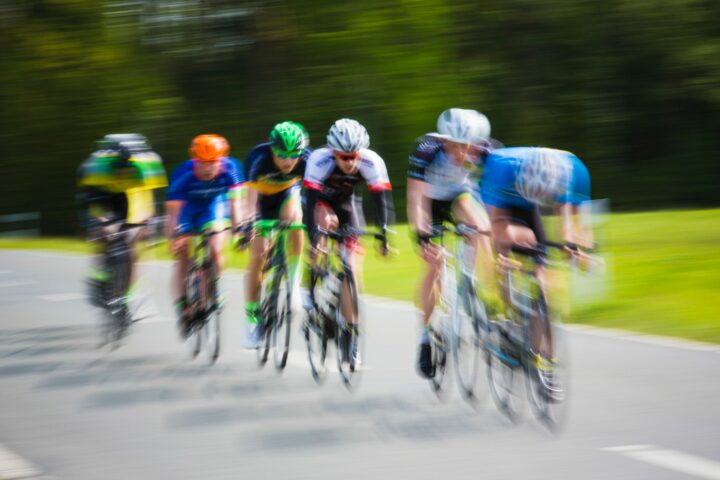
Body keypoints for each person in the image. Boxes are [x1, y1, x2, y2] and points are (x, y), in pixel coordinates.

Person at [479, 146, 594, 377]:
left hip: (533, 206)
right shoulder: (500, 168)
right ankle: (508, 319)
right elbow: (496, 226)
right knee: (503, 256)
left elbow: (571, 226)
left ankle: (544, 358)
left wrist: (576, 249)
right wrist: (501, 258)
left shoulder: (571, 172)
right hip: (504, 203)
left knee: (545, 278)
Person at [406, 108, 496, 379]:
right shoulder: (425, 149)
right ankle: (426, 336)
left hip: (460, 197)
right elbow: (416, 198)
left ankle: (484, 296)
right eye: (454, 146)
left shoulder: (487, 152)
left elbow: (495, 199)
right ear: (443, 140)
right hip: (430, 202)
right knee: (434, 265)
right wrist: (422, 236)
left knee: (483, 229)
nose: (460, 153)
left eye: (465, 147)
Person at [303, 118, 393, 362]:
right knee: (326, 222)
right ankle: (310, 287)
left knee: (352, 269)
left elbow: (381, 202)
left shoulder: (372, 161)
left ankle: (351, 333)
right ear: (334, 153)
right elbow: (309, 201)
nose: (350, 162)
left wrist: (383, 236)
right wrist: (313, 239)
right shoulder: (319, 160)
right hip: (320, 204)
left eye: (354, 155)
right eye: (344, 157)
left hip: (348, 207)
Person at [165, 134, 245, 338]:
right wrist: (172, 238)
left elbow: (236, 205)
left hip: (214, 207)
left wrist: (239, 231)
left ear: (221, 159)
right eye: (203, 163)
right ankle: (184, 305)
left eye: (213, 163)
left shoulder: (231, 169)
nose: (208, 168)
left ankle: (214, 285)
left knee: (216, 248)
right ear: (195, 161)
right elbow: (173, 213)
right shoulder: (183, 174)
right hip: (188, 210)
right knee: (183, 255)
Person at [77, 133, 167, 310]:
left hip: (130, 197)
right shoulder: (97, 168)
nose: (124, 170)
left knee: (132, 248)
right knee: (104, 233)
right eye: (120, 166)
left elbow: (150, 201)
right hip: (103, 194)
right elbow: (87, 199)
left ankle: (126, 297)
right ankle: (99, 276)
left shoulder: (145, 167)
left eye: (127, 166)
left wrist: (150, 223)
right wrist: (94, 222)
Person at [243, 121, 311, 347]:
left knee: (295, 220)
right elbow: (250, 201)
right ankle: (252, 318)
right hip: (261, 203)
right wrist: (248, 225)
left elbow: (315, 196)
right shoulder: (258, 159)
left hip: (286, 196)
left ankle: (294, 285)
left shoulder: (307, 160)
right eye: (282, 154)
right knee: (259, 255)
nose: (288, 160)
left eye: (294, 155)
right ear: (272, 149)